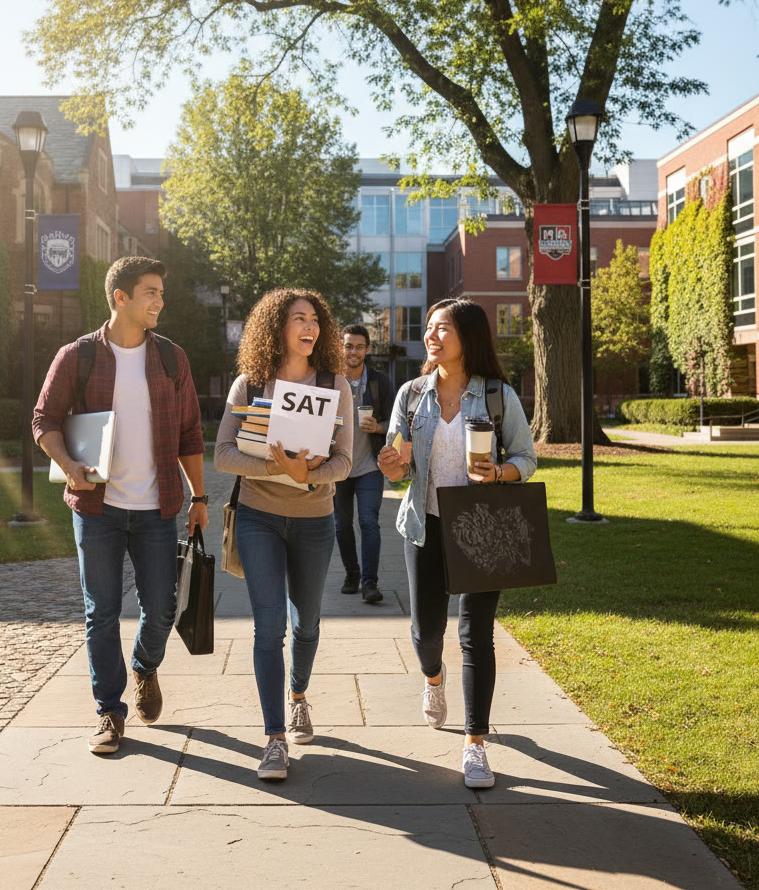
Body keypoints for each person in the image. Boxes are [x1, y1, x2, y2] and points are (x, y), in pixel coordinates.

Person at [33, 256, 208, 756]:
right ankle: (109, 711)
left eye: (160, 292)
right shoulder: (78, 356)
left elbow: (191, 433)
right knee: (101, 612)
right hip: (98, 509)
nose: (160, 301)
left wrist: (198, 496)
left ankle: (145, 667)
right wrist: (68, 465)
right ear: (120, 297)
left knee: (162, 609)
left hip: (158, 509)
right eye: (150, 292)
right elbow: (43, 419)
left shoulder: (172, 359)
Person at [377, 297, 537, 790]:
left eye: (442, 327)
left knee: (476, 636)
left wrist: (501, 472)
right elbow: (399, 460)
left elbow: (527, 458)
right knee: (426, 634)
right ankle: (432, 678)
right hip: (424, 527)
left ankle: (475, 744)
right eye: (428, 328)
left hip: (481, 529)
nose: (431, 335)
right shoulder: (411, 394)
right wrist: (393, 467)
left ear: (467, 335)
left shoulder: (497, 395)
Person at [214, 289, 353, 780]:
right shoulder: (250, 385)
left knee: (307, 622)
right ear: (277, 327)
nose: (310, 327)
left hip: (316, 519)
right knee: (268, 626)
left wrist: (304, 475)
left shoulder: (336, 384)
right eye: (298, 318)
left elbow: (344, 462)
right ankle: (275, 738)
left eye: (316, 319)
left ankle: (298, 698)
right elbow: (223, 454)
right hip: (258, 517)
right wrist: (274, 466)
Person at [334, 324, 395, 603]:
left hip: (370, 464)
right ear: (341, 348)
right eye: (348, 346)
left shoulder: (380, 383)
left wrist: (379, 428)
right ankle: (352, 574)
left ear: (367, 349)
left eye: (359, 346)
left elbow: (397, 423)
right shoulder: (330, 382)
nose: (353, 351)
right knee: (341, 524)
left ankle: (370, 583)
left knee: (368, 521)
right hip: (338, 465)